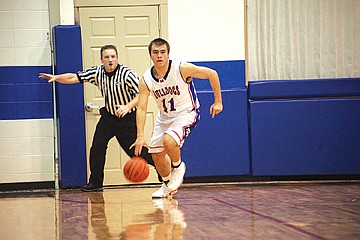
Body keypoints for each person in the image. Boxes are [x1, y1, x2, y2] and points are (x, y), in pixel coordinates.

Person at [39, 44, 155, 192]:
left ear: (117, 58)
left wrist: (127, 106)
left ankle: (165, 171)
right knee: (97, 147)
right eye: (107, 57)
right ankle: (95, 183)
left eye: (113, 56)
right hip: (109, 118)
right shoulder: (97, 72)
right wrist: (56, 77)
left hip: (127, 119)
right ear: (102, 60)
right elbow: (74, 77)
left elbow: (142, 95)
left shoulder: (127, 74)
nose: (110, 60)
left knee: (137, 153)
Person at [131, 38, 223, 198]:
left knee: (169, 141)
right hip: (165, 117)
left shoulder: (181, 69)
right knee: (156, 154)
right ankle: (167, 185)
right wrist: (140, 135)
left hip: (187, 113)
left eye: (162, 52)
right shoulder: (146, 79)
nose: (159, 56)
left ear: (168, 54)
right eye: (155, 52)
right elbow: (142, 107)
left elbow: (212, 74)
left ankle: (178, 166)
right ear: (150, 56)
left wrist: (218, 101)